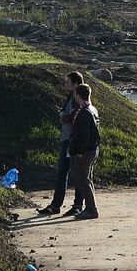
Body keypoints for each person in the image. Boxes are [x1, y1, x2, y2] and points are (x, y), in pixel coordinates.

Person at [38, 71, 85, 216]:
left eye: (67, 82)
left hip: (71, 141)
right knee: (62, 173)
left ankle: (76, 205)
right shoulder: (70, 97)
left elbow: (72, 118)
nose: (65, 85)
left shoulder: (78, 100)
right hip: (67, 139)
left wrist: (63, 117)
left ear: (76, 84)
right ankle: (58, 205)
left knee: (75, 174)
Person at [68, 83, 101, 220]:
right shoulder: (91, 109)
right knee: (87, 179)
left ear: (78, 95)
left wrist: (79, 151)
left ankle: (92, 210)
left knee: (83, 179)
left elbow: (84, 135)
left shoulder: (84, 112)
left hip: (86, 151)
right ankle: (89, 207)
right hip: (92, 150)